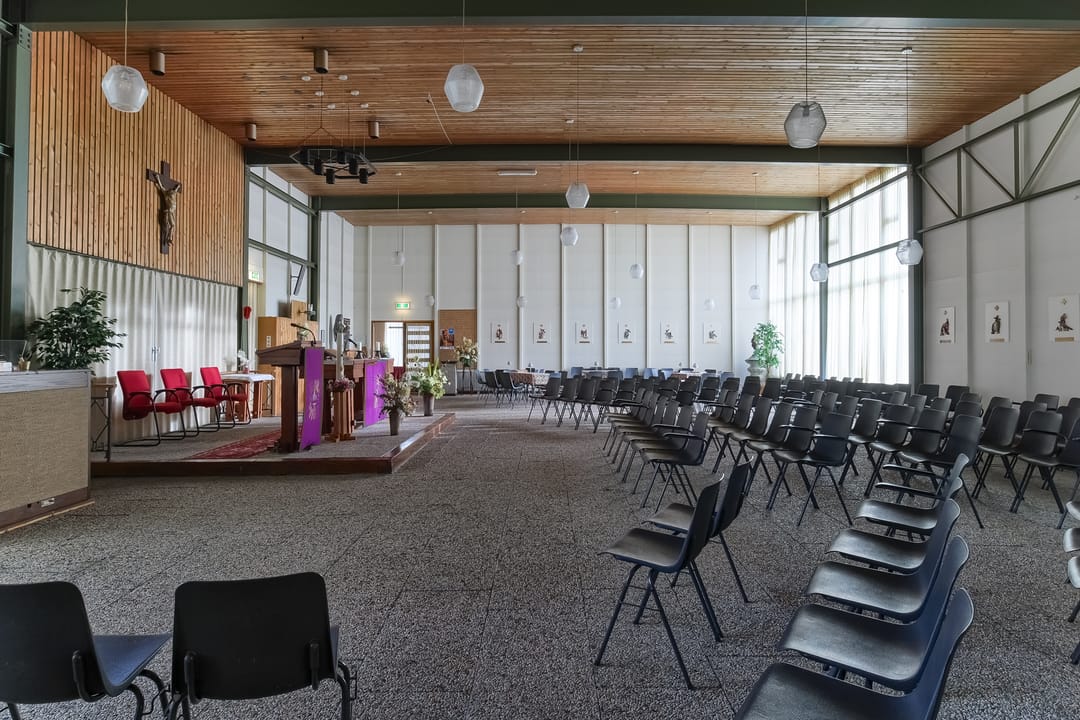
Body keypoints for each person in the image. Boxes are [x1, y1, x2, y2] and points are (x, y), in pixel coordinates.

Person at [153, 174, 182, 247]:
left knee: (171, 225)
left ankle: (169, 238)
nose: (173, 194)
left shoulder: (172, 193)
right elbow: (161, 187)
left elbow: (175, 190)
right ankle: (169, 238)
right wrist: (157, 178)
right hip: (169, 211)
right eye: (172, 193)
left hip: (171, 212)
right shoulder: (166, 194)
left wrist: (177, 187)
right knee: (171, 225)